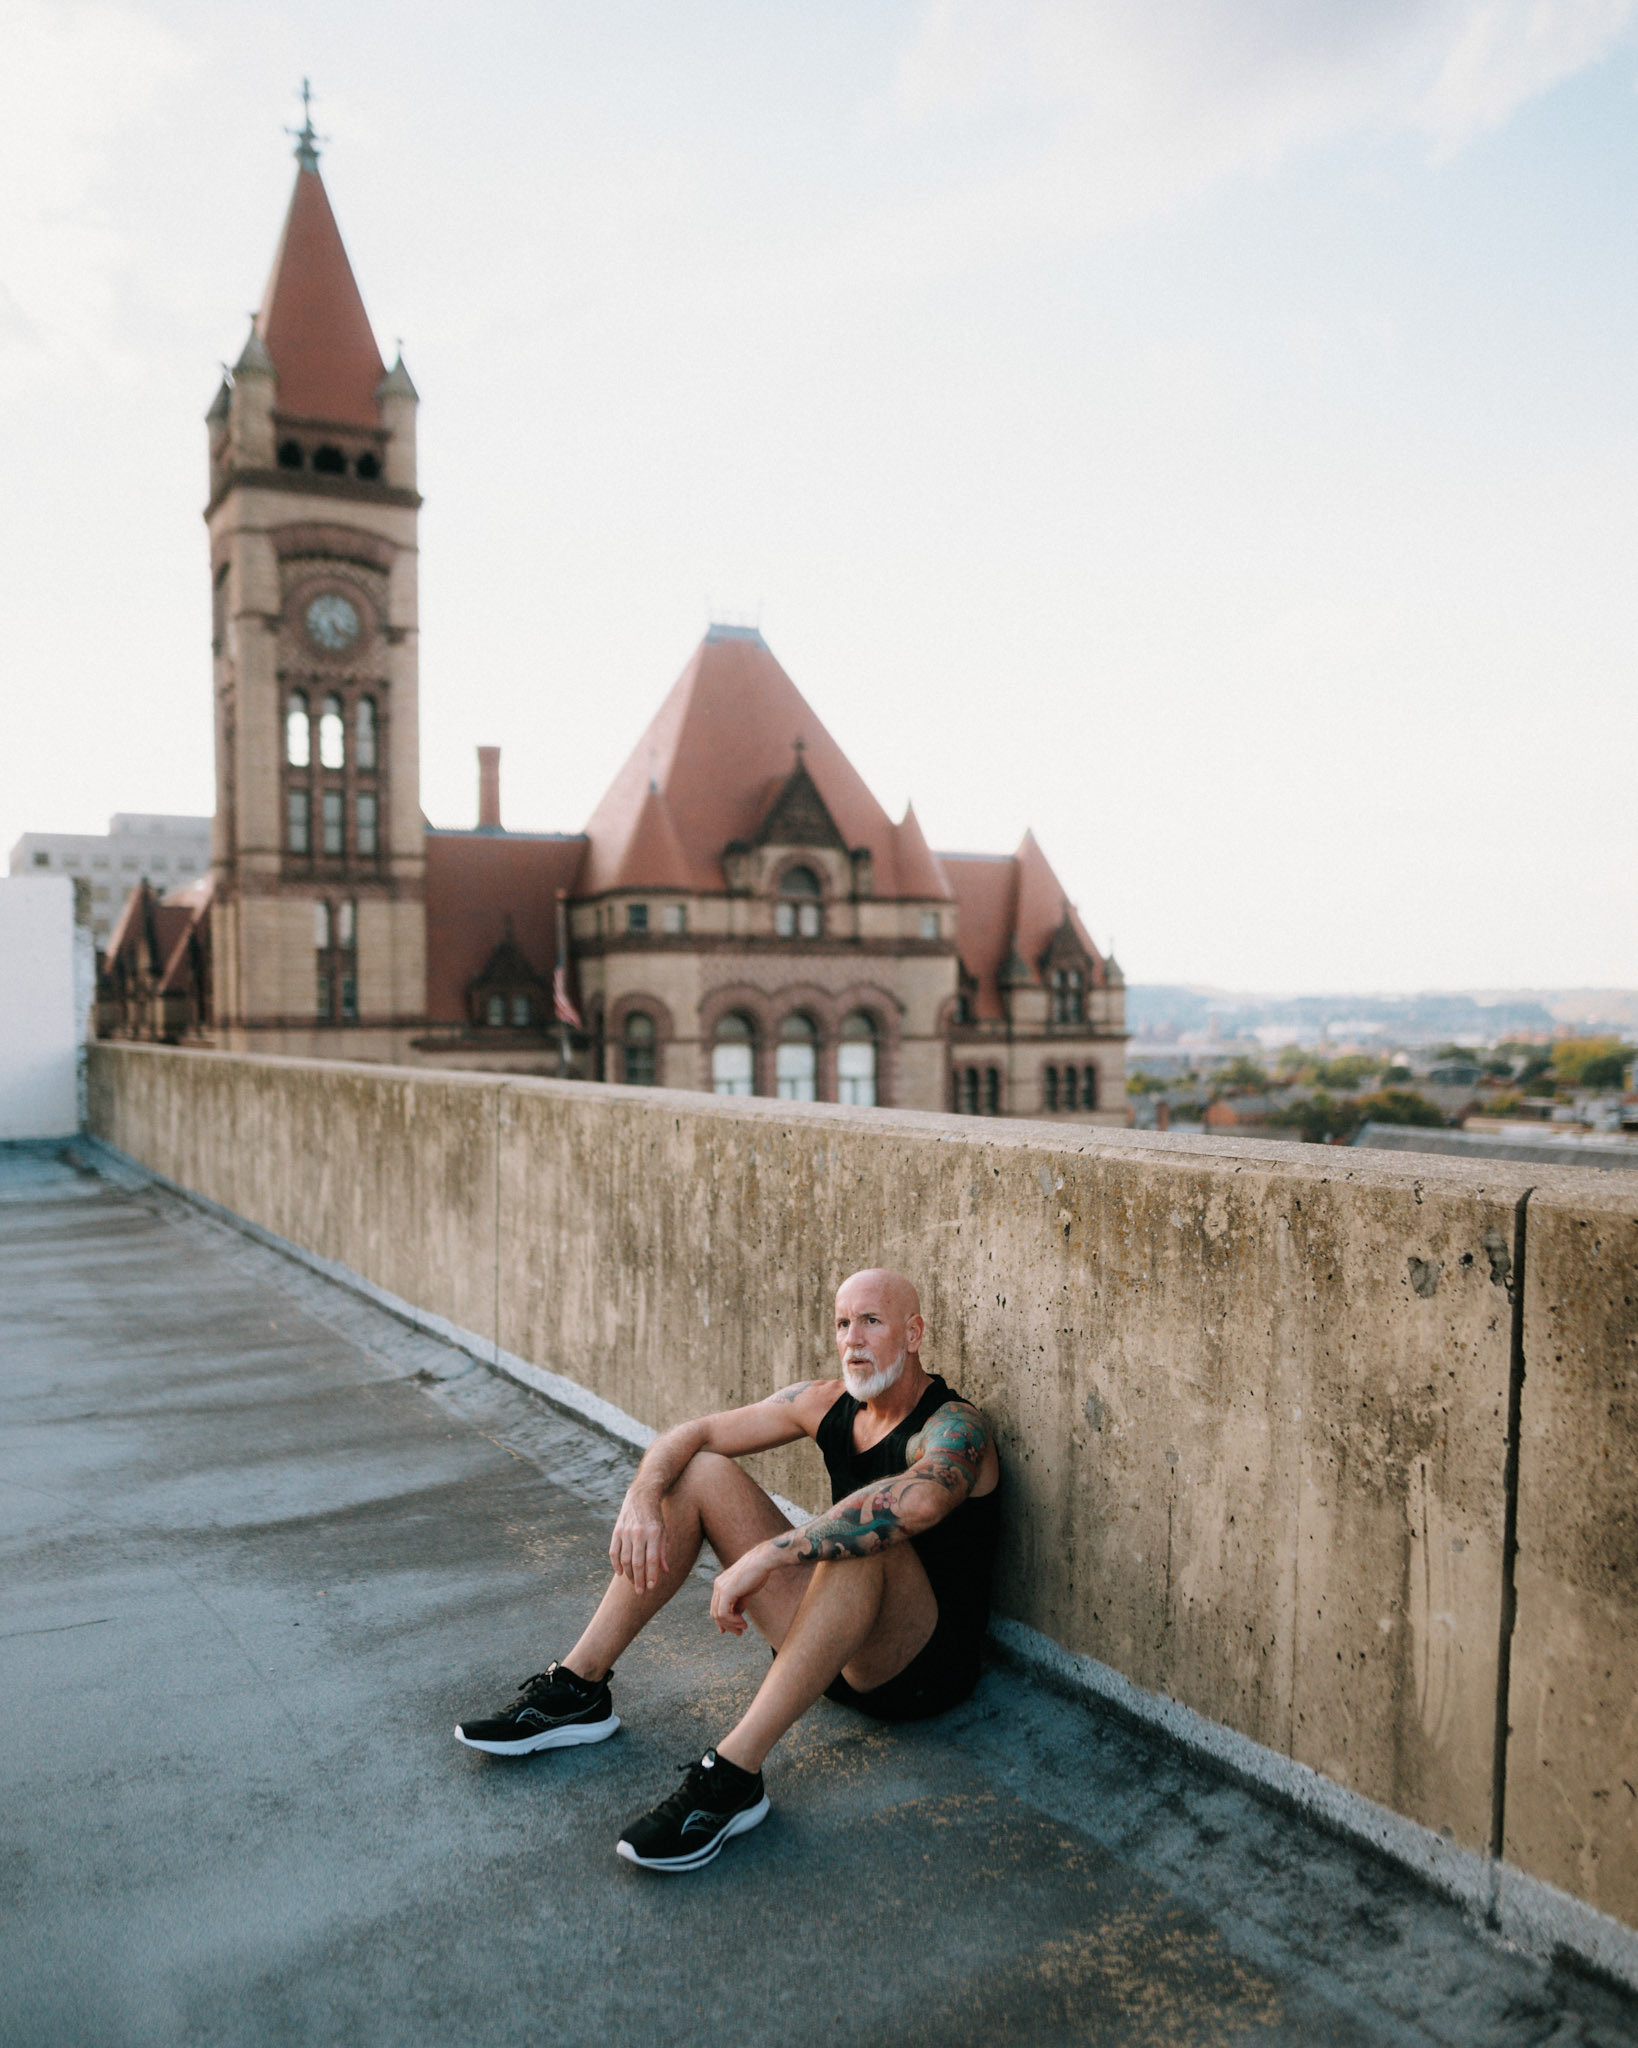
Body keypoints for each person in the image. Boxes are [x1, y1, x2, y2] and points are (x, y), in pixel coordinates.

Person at [454, 1267, 1001, 1871]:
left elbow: (920, 1503)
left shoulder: (955, 1425)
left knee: (866, 1535)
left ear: (914, 1333)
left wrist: (771, 1553)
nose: (852, 1340)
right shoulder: (825, 1403)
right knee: (698, 1471)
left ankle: (734, 1777)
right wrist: (641, 1497)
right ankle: (578, 1689)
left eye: (872, 1321)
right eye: (843, 1323)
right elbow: (694, 1433)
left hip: (918, 1669)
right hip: (827, 1652)